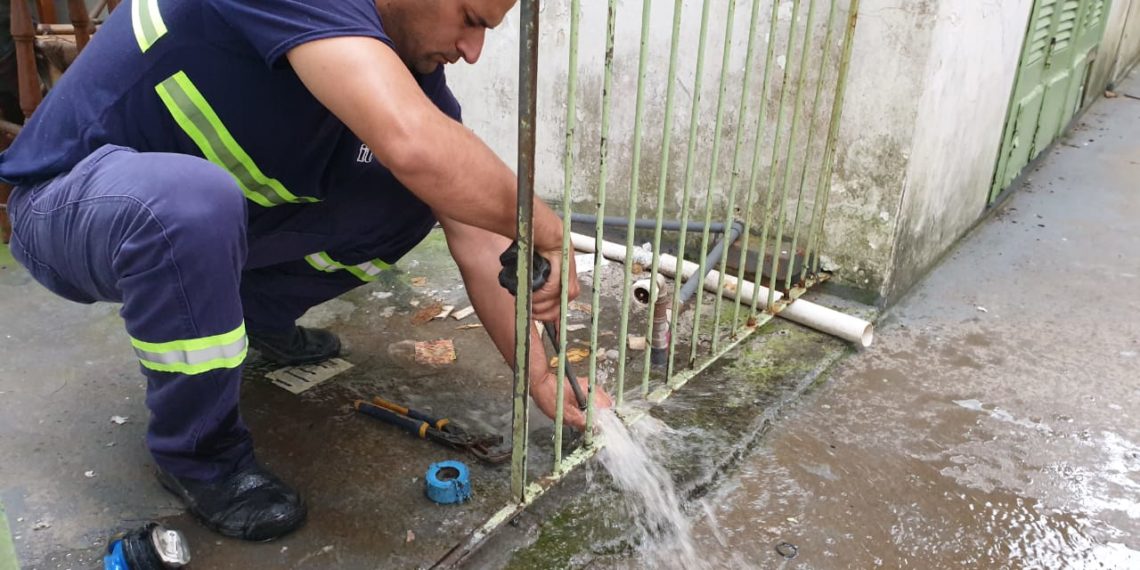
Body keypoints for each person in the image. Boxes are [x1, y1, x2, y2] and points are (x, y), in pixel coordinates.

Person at [0, 0, 611, 542]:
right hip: (67, 204)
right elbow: (416, 145)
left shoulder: (409, 79)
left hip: (197, 220)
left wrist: (541, 379)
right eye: (472, 20)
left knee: (414, 198)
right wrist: (547, 229)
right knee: (193, 201)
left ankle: (250, 319)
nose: (473, 52)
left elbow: (478, 235)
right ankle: (199, 456)